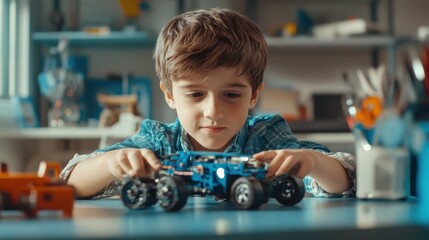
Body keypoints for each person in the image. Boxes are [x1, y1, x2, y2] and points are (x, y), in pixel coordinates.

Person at [61, 8, 355, 199]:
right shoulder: (159, 142)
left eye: (231, 94)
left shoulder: (265, 136)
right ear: (169, 94)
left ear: (254, 94)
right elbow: (71, 181)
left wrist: (314, 162)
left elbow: (345, 180)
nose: (213, 111)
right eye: (195, 94)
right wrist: (111, 163)